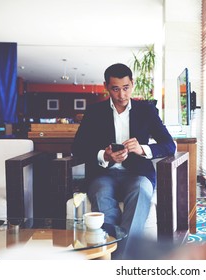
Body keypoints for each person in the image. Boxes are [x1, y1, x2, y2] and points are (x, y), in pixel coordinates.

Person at [72, 63, 176, 259]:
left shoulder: (146, 110)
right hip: (103, 174)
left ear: (132, 84)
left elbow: (169, 145)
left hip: (137, 174)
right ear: (106, 86)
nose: (121, 95)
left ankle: (117, 260)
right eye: (115, 89)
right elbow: (77, 147)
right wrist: (104, 155)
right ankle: (122, 261)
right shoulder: (94, 112)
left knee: (140, 193)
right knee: (103, 197)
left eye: (126, 88)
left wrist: (142, 149)